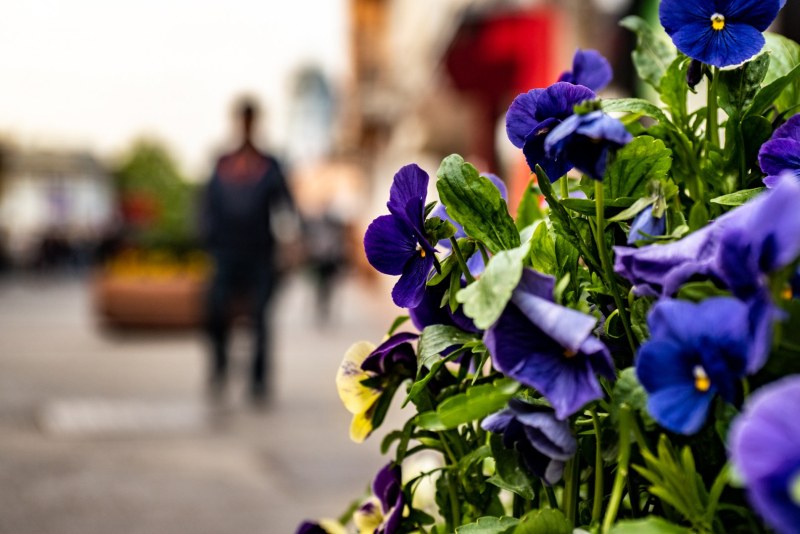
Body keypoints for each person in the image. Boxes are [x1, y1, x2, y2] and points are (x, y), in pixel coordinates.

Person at [201, 98, 296, 405]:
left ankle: (258, 381)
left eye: (250, 119)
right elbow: (206, 205)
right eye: (242, 119)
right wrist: (206, 239)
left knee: (260, 317)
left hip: (260, 254)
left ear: (257, 122)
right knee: (215, 311)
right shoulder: (221, 162)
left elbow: (287, 208)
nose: (246, 125)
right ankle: (219, 368)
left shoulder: (270, 165)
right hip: (225, 253)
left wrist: (292, 242)